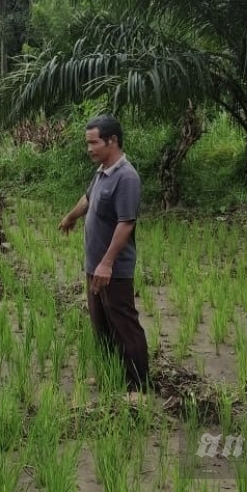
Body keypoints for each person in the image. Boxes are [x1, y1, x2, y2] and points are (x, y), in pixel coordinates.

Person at [58, 114, 150, 397]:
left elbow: (126, 223)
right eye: (88, 143)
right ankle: (111, 373)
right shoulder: (102, 171)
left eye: (93, 142)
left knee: (124, 325)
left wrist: (107, 263)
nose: (89, 148)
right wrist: (71, 217)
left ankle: (138, 387)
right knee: (102, 324)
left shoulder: (126, 177)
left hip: (113, 269)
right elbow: (88, 198)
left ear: (112, 141)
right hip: (94, 266)